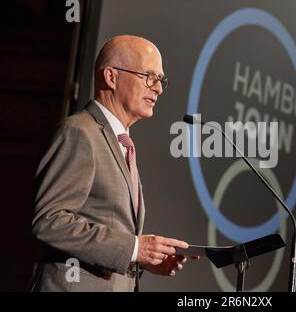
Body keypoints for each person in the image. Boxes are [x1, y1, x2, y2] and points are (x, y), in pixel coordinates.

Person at [31, 35, 193, 292]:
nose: (158, 89)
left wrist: (138, 260)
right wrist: (134, 248)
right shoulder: (79, 133)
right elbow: (50, 221)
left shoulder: (122, 142)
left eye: (161, 80)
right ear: (111, 77)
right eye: (149, 76)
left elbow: (106, 226)